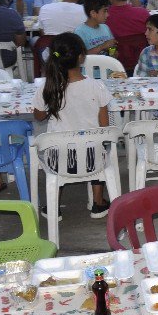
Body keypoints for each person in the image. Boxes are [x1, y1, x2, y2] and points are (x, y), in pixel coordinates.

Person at [33, 32, 113, 216]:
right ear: (81, 57)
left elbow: (38, 116)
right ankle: (98, 202)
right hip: (92, 160)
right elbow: (104, 127)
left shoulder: (48, 87)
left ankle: (54, 206)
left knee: (56, 148)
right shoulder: (97, 86)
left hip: (58, 161)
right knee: (98, 144)